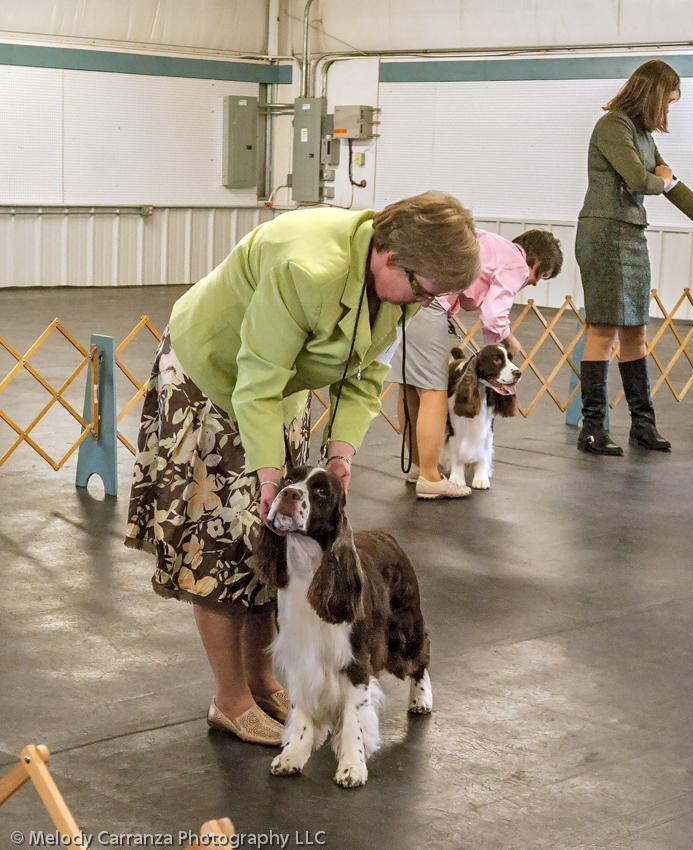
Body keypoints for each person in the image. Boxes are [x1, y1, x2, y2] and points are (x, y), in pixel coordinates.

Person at [124, 193, 480, 745]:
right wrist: (268, 479)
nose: (424, 302)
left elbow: (363, 379)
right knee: (222, 549)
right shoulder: (306, 268)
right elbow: (256, 381)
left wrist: (341, 454)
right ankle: (230, 698)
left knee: (273, 548)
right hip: (212, 379)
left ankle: (263, 679)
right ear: (387, 254)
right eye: (423, 288)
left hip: (280, 394)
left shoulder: (403, 290)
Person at [575, 59, 693, 455]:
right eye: (669, 102)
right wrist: (660, 177)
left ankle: (642, 426)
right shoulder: (613, 126)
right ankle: (592, 427)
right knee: (603, 329)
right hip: (604, 232)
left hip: (631, 234)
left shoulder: (641, 133)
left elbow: (671, 185)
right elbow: (641, 181)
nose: (668, 111)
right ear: (653, 95)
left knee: (637, 332)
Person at [390, 228, 564, 498]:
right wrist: (507, 341)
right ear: (537, 261)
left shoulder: (488, 240)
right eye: (541, 275)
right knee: (433, 390)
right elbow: (494, 316)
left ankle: (417, 467)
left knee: (410, 387)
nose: (535, 282)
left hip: (406, 297)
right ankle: (430, 476)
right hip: (432, 302)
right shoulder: (516, 263)